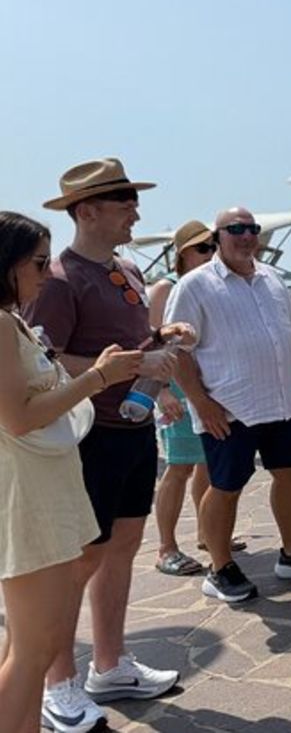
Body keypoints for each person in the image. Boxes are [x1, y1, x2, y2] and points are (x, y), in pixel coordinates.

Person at [26, 159, 188, 731]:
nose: (135, 212)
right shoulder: (62, 279)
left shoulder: (125, 270)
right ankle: (58, 684)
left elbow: (128, 342)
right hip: (90, 439)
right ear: (86, 210)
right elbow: (42, 359)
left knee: (121, 548)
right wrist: (135, 363)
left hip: (134, 430)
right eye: (124, 202)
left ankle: (111, 664)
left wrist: (163, 339)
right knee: (80, 562)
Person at [0, 211, 144, 733]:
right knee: (33, 653)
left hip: (45, 491)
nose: (45, 273)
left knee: (26, 648)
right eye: (38, 263)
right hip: (31, 499)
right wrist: (100, 377)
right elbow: (19, 418)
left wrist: (95, 369)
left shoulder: (12, 320)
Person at [166, 207, 291, 604]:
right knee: (226, 486)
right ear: (218, 236)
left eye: (252, 229)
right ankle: (220, 567)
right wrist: (200, 402)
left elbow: (290, 337)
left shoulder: (273, 279)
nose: (246, 236)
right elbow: (178, 352)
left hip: (281, 403)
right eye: (236, 229)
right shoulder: (194, 286)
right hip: (228, 408)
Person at [148, 220, 245, 577]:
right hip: (178, 390)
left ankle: (208, 533)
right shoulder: (166, 288)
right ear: (183, 253)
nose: (210, 253)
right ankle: (166, 547)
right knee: (179, 467)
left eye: (212, 246)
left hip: (210, 390)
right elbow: (153, 343)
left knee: (208, 463)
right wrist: (161, 393)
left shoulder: (212, 286)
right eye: (203, 248)